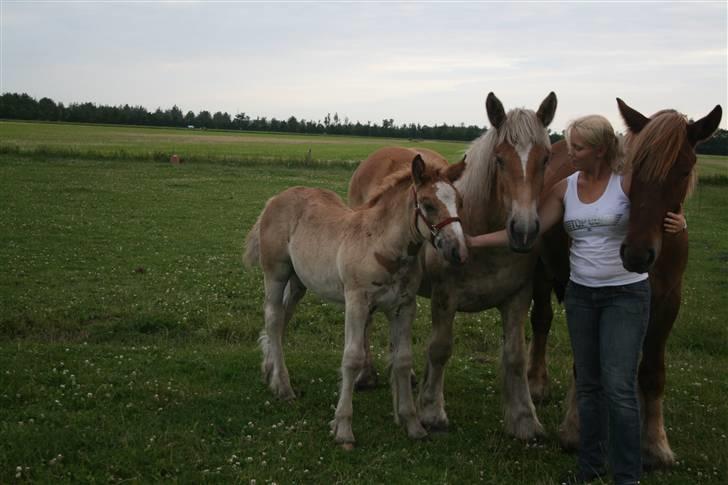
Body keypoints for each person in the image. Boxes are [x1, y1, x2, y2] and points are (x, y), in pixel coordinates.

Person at [467, 115, 686, 485]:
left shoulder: (626, 183)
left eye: (577, 148)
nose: (568, 154)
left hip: (624, 294)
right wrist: (473, 241)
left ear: (600, 150)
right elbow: (533, 230)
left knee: (618, 384)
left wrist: (677, 219)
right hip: (582, 295)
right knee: (587, 382)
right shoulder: (565, 188)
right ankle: (590, 466)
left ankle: (627, 475)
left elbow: (657, 198)